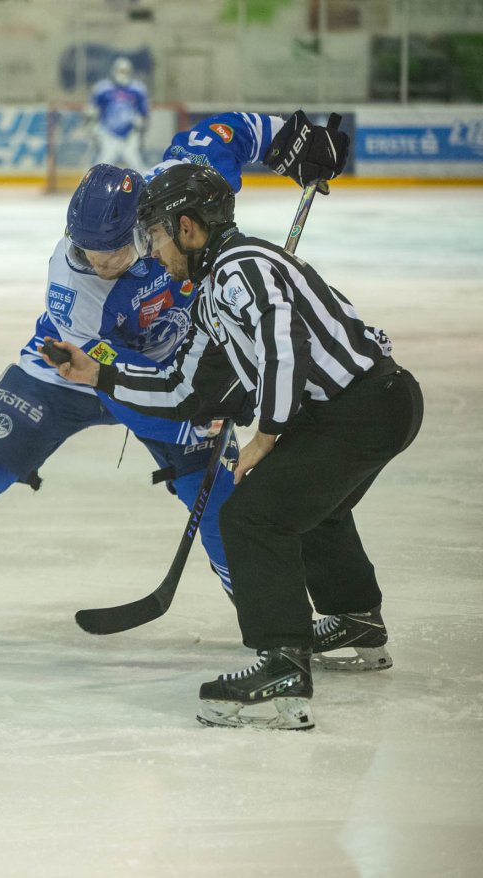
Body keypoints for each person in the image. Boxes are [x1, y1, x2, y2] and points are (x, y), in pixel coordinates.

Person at [0, 110, 351, 650]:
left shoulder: (179, 189)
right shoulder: (75, 290)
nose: (96, 262)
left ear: (147, 225)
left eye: (111, 250)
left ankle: (270, 613)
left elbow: (234, 130)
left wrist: (295, 140)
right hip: (73, 370)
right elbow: (109, 379)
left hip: (171, 371)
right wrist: (189, 421)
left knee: (223, 500)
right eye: (86, 250)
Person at [43, 161, 422, 730]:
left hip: (366, 407)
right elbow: (181, 388)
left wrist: (267, 432)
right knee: (311, 507)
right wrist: (98, 376)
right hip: (362, 410)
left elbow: (281, 342)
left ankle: (283, 667)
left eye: (156, 234)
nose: (152, 248)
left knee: (250, 515)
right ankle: (355, 619)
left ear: (188, 228)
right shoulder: (212, 293)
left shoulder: (243, 266)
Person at [86, 56, 149, 169]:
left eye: (125, 71)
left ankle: (144, 185)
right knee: (103, 163)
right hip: (108, 133)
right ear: (113, 71)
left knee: (136, 164)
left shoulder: (138, 89)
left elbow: (143, 113)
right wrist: (93, 127)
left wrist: (139, 126)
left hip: (130, 135)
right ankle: (93, 185)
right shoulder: (103, 88)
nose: (123, 74)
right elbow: (92, 110)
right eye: (120, 71)